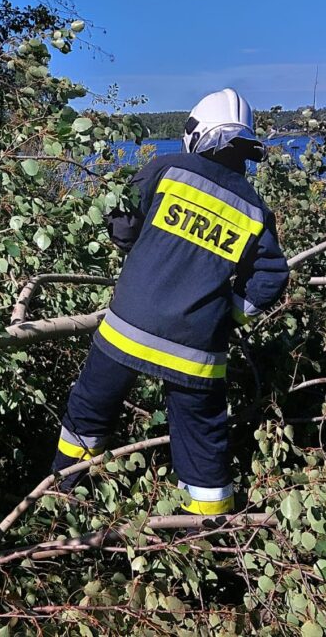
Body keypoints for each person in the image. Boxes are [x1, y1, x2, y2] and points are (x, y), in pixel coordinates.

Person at [50, 88, 290, 514]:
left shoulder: (166, 169)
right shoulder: (255, 208)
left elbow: (123, 225)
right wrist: (229, 315)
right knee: (203, 443)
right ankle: (210, 533)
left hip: (128, 328)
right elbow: (271, 277)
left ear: (195, 133)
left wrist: (147, 253)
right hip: (197, 350)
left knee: (88, 414)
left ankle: (62, 504)